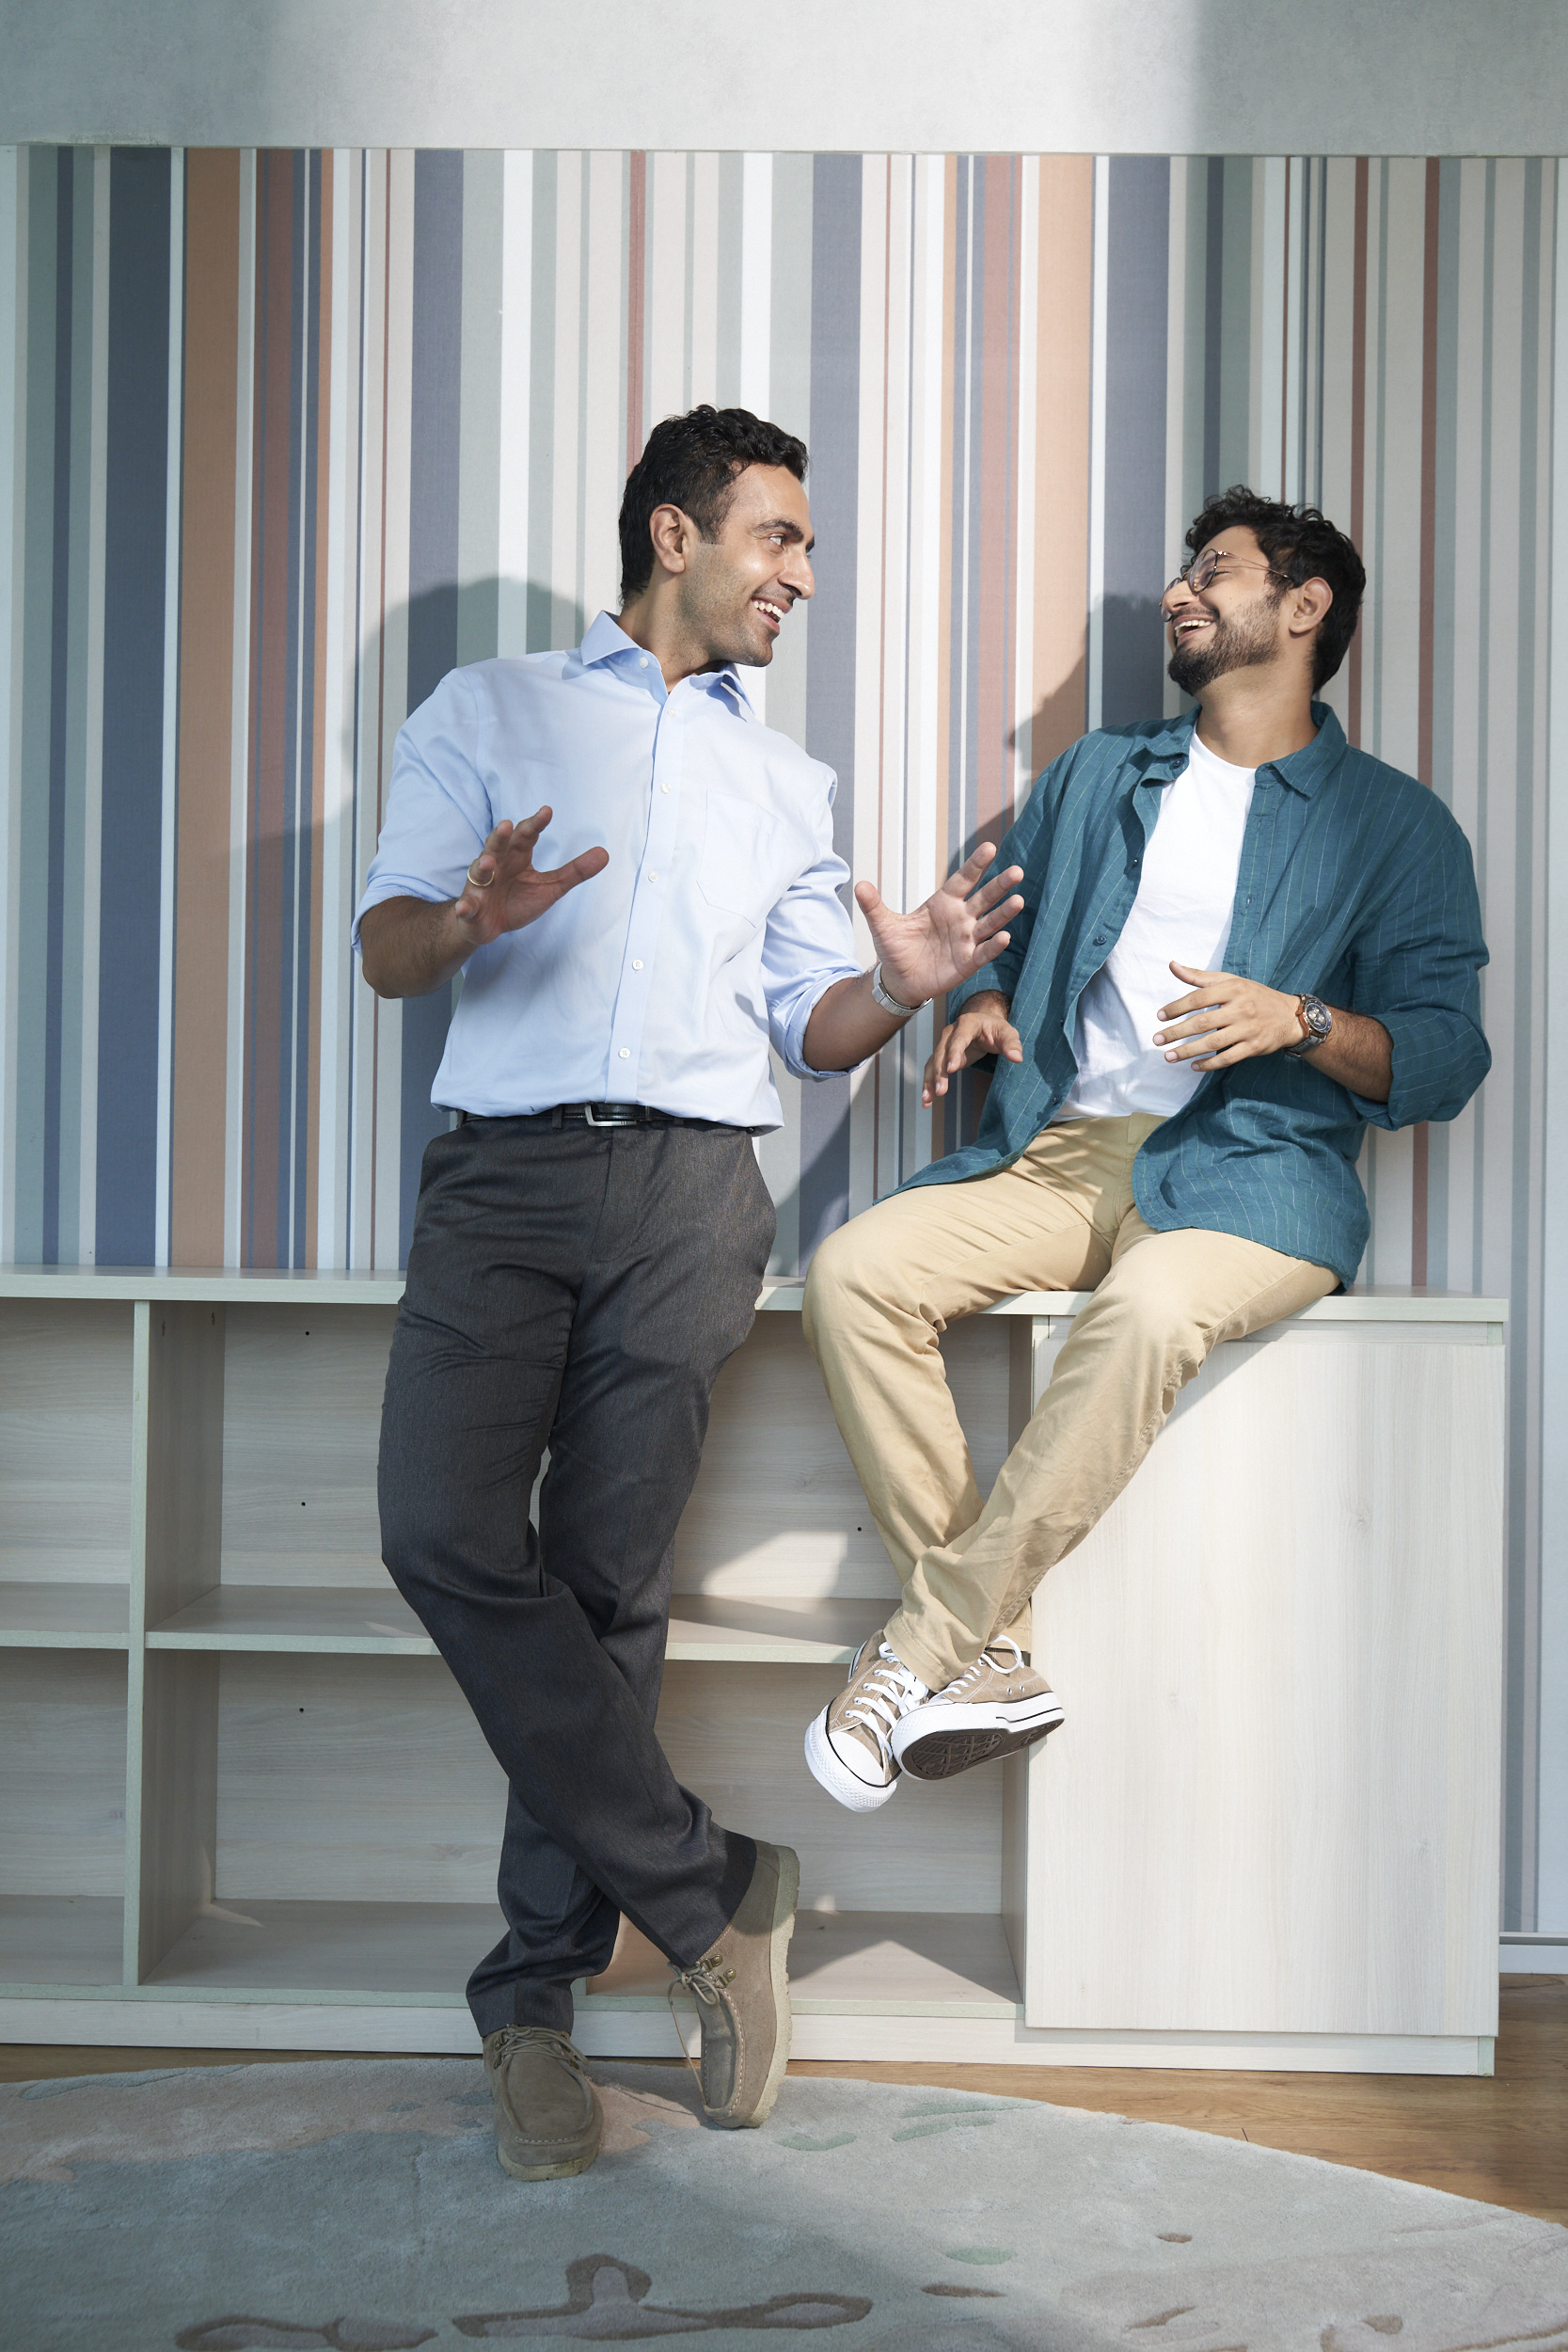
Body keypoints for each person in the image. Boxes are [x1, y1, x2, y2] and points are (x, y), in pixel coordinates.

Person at [355, 405, 1025, 2181]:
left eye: (802, 544)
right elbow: (384, 947)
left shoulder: (786, 787)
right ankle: (715, 1887)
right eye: (779, 538)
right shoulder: (485, 709)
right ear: (676, 533)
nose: (801, 573)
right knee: (437, 1528)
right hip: (502, 1180)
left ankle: (531, 2002)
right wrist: (472, 922)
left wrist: (896, 985)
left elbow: (814, 1033)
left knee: (605, 1588)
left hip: (692, 1196)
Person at [800, 485, 1490, 1813]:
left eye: (1214, 571)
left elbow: (1445, 1058)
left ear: (1304, 608)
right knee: (853, 1274)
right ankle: (988, 1658)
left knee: (1146, 1309)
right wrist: (985, 1003)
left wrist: (1300, 1021)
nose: (1182, 591)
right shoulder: (1101, 775)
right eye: (1186, 571)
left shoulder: (1396, 827)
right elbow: (1007, 934)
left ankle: (920, 1650)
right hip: (1064, 1155)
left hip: (1253, 1176)